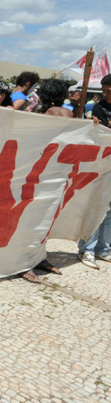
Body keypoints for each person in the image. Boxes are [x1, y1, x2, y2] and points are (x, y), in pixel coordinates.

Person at [77, 75, 111, 269]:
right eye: (103, 91)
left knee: (109, 210)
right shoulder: (98, 108)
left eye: (109, 91)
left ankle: (104, 248)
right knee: (96, 205)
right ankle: (87, 248)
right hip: (102, 164)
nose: (105, 95)